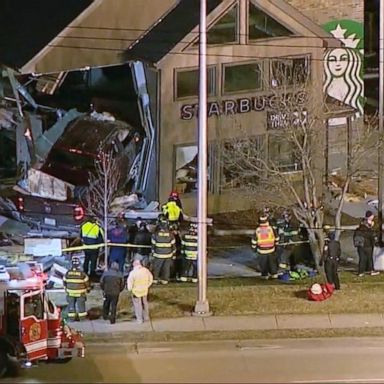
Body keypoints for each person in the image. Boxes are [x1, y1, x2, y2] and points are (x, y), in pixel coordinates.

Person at [251, 215, 280, 279]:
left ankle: (265, 275)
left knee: (263, 264)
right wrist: (276, 245)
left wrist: (254, 248)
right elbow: (277, 238)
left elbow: (254, 241)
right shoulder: (271, 228)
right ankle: (274, 274)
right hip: (271, 250)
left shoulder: (258, 230)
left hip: (262, 251)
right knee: (272, 263)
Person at [127, 257, 153, 324]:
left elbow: (130, 283)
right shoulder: (146, 270)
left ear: (134, 264)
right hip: (144, 290)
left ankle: (139, 319)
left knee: (138, 305)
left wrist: (130, 289)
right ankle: (146, 317)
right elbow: (151, 278)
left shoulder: (133, 273)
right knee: (145, 303)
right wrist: (147, 285)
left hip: (136, 292)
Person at [353, 211, 380, 277]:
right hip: (367, 245)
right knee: (369, 258)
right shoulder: (367, 228)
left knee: (362, 259)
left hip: (360, 245)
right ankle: (371, 271)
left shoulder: (359, 228)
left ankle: (360, 272)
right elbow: (370, 235)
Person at [63, 256, 90, 321]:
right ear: (79, 264)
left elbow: (64, 282)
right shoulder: (82, 274)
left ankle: (72, 318)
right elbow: (87, 283)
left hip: (70, 293)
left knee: (71, 306)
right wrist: (88, 289)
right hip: (80, 293)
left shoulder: (67, 273)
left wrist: (66, 289)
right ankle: (82, 319)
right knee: (81, 306)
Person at [151, 217, 176, 284]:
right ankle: (165, 280)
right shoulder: (171, 235)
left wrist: (153, 253)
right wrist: (173, 254)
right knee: (166, 268)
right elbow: (173, 246)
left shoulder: (155, 234)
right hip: (168, 254)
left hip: (158, 254)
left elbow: (153, 245)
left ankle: (155, 279)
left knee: (157, 267)